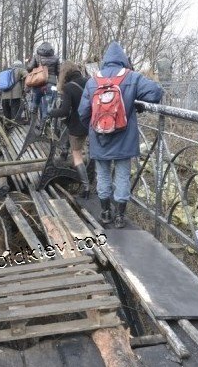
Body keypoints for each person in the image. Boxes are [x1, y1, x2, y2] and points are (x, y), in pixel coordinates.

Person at [78, 41, 163, 228]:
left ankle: (105, 212)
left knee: (103, 175)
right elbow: (156, 93)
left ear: (105, 61)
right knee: (123, 176)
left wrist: (95, 130)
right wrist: (135, 102)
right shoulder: (131, 77)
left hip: (100, 139)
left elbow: (83, 113)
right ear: (123, 60)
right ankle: (120, 217)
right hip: (124, 138)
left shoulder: (93, 81)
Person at [48, 61, 90, 198]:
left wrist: (51, 112)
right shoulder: (89, 82)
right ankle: (64, 152)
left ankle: (86, 187)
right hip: (93, 123)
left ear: (64, 73)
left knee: (77, 155)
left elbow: (64, 112)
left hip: (78, 126)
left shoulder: (68, 88)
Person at [26, 42, 59, 122]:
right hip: (51, 84)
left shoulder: (37, 57)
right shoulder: (56, 58)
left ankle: (33, 118)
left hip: (38, 83)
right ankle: (45, 124)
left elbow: (29, 68)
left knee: (35, 101)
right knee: (48, 105)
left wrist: (29, 63)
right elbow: (59, 72)